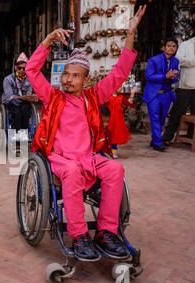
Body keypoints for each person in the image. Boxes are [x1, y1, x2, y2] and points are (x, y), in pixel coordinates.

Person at [26, 6, 147, 262]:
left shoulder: (93, 97)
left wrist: (130, 35)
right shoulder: (53, 97)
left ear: (85, 80)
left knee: (115, 170)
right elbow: (32, 71)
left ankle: (105, 232)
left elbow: (119, 74)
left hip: (89, 157)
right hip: (60, 158)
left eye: (75, 76)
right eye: (66, 74)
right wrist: (47, 42)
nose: (68, 80)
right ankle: (79, 235)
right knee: (70, 171)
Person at [143, 38, 180, 152]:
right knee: (154, 117)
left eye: (174, 46)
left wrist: (174, 77)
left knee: (162, 119)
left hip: (166, 94)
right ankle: (158, 143)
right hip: (154, 94)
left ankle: (155, 139)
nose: (171, 48)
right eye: (169, 46)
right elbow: (149, 76)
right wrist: (165, 76)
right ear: (164, 47)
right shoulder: (153, 60)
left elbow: (176, 78)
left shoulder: (175, 61)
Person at [163, 35, 195, 145]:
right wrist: (193, 61)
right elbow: (179, 60)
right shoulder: (186, 45)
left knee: (194, 115)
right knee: (177, 113)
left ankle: (190, 137)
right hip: (185, 85)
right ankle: (167, 137)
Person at [1, 52, 38, 142]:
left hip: (23, 102)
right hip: (10, 102)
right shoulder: (8, 79)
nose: (21, 70)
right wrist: (25, 97)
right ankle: (15, 133)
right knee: (16, 109)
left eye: (24, 68)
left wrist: (28, 97)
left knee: (25, 108)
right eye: (19, 68)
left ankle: (24, 133)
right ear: (15, 67)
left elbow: (29, 94)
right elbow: (10, 96)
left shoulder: (29, 80)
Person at [105, 87, 137, 158]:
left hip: (118, 121)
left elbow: (128, 104)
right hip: (109, 120)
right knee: (107, 136)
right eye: (119, 86)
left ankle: (113, 152)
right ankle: (105, 151)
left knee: (115, 137)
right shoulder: (108, 96)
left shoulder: (121, 97)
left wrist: (132, 94)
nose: (121, 88)